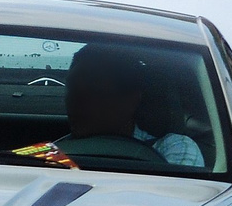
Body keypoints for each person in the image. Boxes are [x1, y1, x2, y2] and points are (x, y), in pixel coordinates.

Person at [54, 43, 204, 167]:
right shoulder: (54, 149)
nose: (74, 100)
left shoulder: (173, 147)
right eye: (72, 89)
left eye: (92, 91)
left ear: (130, 100)